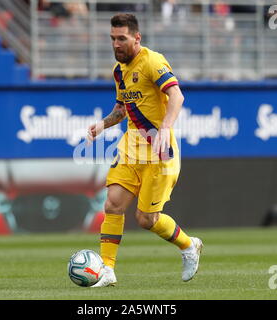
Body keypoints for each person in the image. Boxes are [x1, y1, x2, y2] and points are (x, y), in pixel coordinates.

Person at [86, 13, 203, 287]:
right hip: (131, 147)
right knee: (113, 204)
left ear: (136, 38)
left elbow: (176, 95)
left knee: (146, 219)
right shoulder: (119, 71)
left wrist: (164, 128)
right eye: (113, 38)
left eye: (122, 39)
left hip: (159, 150)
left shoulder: (152, 61)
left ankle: (189, 246)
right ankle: (107, 269)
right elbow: (123, 109)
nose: (116, 44)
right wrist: (102, 125)